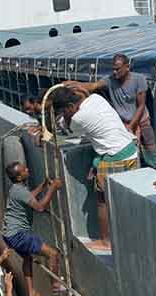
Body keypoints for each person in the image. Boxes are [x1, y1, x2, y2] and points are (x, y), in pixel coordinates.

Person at [51, 86, 140, 251]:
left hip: (115, 159)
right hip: (131, 152)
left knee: (102, 202)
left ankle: (106, 242)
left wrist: (64, 118)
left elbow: (68, 128)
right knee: (128, 200)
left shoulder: (78, 118)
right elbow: (85, 94)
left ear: (70, 107)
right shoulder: (96, 99)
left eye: (64, 111)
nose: (65, 114)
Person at [65, 53, 156, 167]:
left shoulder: (139, 79)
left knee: (151, 152)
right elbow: (93, 86)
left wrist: (131, 126)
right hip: (124, 124)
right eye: (113, 69)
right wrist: (74, 85)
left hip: (141, 122)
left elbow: (141, 105)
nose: (115, 72)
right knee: (134, 154)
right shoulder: (110, 80)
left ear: (127, 67)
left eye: (118, 69)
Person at [2, 162, 65, 296]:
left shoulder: (16, 189)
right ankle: (55, 285)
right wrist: (53, 188)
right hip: (19, 235)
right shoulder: (20, 190)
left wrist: (43, 186)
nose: (27, 169)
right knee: (53, 254)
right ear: (19, 177)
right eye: (24, 169)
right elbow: (40, 207)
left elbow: (29, 197)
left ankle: (31, 294)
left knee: (28, 258)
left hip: (8, 234)